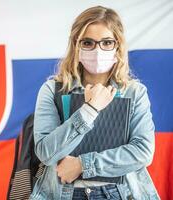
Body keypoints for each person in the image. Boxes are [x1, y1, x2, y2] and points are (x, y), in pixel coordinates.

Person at [30, 6, 160, 200]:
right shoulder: (52, 90)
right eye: (88, 42)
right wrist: (89, 110)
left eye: (107, 42)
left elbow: (142, 152)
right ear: (76, 44)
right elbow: (47, 153)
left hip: (120, 193)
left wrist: (83, 165)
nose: (98, 50)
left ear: (118, 46)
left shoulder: (134, 92)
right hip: (64, 193)